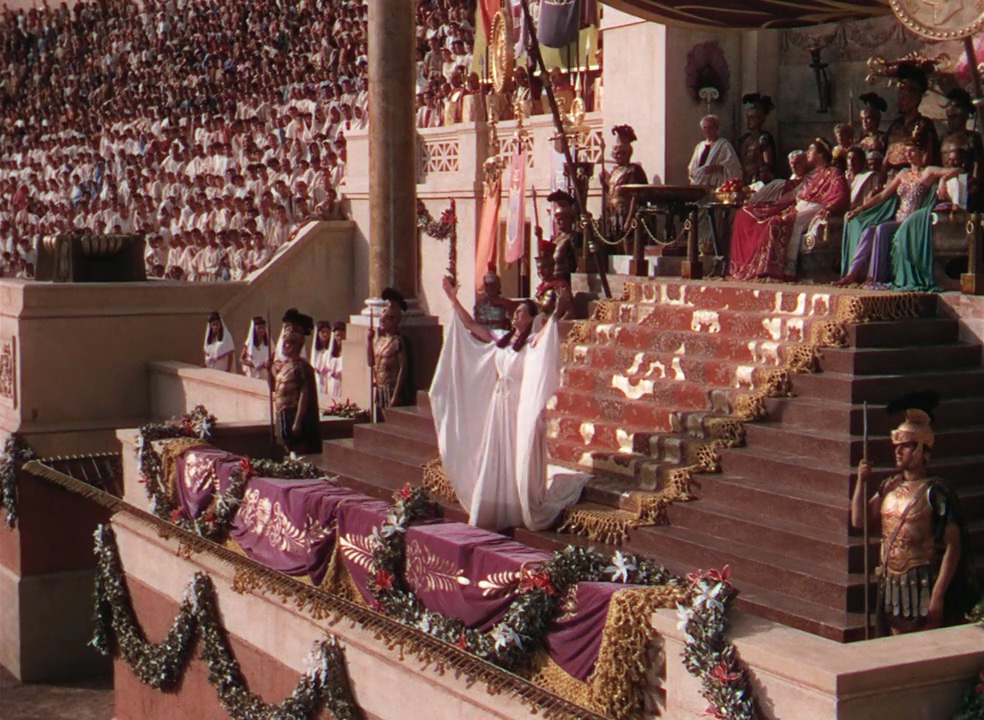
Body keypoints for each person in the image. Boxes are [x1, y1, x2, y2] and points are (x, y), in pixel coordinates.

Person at [430, 275, 588, 530]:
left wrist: (558, 309)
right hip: (499, 404)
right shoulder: (500, 338)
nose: (515, 316)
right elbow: (471, 325)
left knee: (516, 451)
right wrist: (452, 298)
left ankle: (516, 503)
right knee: (496, 451)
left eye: (521, 313)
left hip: (517, 405)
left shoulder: (531, 343)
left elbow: (548, 334)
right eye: (515, 313)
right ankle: (492, 502)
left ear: (531, 319)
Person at [851, 391, 977, 636]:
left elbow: (954, 546)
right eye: (897, 447)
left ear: (921, 449)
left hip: (921, 584)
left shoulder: (935, 492)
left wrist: (938, 594)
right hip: (891, 584)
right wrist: (860, 482)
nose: (898, 452)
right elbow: (859, 520)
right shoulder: (889, 486)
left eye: (906, 447)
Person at [836, 140, 958, 287]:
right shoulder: (903, 174)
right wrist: (859, 209)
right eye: (906, 151)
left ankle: (874, 278)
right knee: (869, 230)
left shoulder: (928, 172)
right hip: (897, 219)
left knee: (881, 229)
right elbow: (882, 196)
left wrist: (943, 179)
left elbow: (957, 170)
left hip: (911, 221)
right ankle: (852, 274)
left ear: (922, 153)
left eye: (912, 150)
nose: (908, 154)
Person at [729, 139, 848, 281]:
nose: (807, 153)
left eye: (811, 151)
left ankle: (785, 270)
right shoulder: (812, 175)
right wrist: (772, 205)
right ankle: (765, 269)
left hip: (816, 208)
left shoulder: (834, 173)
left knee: (777, 223)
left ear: (820, 154)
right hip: (800, 207)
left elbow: (840, 195)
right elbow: (795, 195)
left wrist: (829, 208)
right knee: (765, 218)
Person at [883, 63, 940, 180]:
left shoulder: (924, 125)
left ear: (916, 97)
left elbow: (928, 158)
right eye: (900, 94)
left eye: (905, 95)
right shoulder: (895, 125)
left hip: (911, 180)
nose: (900, 99)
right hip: (891, 180)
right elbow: (886, 156)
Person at [269, 330, 321, 456]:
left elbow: (305, 394)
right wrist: (268, 370)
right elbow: (274, 388)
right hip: (283, 413)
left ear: (294, 346)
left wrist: (298, 421)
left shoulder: (301, 367)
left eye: (286, 343)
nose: (283, 346)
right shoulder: (284, 367)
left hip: (293, 413)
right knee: (288, 450)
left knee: (298, 449)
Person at [599, 125, 648, 245]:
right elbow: (613, 193)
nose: (617, 157)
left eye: (620, 154)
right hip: (615, 216)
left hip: (627, 214)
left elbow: (635, 196)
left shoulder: (633, 170)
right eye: (616, 154)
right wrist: (604, 184)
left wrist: (630, 219)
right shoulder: (615, 171)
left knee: (628, 246)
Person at [367, 290, 409, 420]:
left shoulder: (397, 341)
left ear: (393, 321)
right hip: (380, 389)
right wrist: (369, 341)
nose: (382, 323)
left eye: (385, 321)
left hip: (391, 388)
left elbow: (403, 368)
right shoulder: (379, 341)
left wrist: (396, 395)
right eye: (381, 321)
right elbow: (371, 362)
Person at [687, 115, 741, 188]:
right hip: (699, 184)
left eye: (710, 128)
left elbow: (733, 167)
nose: (707, 131)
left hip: (715, 184)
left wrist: (716, 167)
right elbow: (693, 168)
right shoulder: (700, 146)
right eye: (705, 128)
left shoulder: (724, 145)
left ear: (716, 128)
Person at [737, 93, 777, 185]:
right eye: (748, 118)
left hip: (757, 179)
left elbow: (768, 163)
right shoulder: (744, 139)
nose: (749, 121)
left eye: (752, 118)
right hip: (743, 178)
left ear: (760, 119)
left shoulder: (764, 138)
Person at [544, 189, 579, 286]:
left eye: (561, 219)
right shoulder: (555, 239)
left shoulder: (574, 237)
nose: (558, 222)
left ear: (570, 219)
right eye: (557, 219)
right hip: (552, 279)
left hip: (564, 280)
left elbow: (577, 262)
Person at [534, 239, 573, 322]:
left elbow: (570, 311)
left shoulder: (560, 286)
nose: (540, 271)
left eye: (544, 267)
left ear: (552, 267)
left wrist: (556, 326)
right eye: (538, 268)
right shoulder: (540, 288)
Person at [474, 265, 516, 333]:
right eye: (487, 285)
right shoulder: (479, 304)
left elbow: (512, 323)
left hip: (500, 335)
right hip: (483, 336)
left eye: (493, 284)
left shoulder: (506, 303)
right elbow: (476, 323)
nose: (490, 288)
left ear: (498, 286)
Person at [858, 92, 888, 172]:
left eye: (868, 118)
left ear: (875, 120)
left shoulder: (883, 138)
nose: (864, 122)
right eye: (862, 119)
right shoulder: (861, 139)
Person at [240, 315, 272, 381]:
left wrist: (267, 363)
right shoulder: (249, 344)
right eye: (259, 328)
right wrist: (253, 364)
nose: (261, 330)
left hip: (264, 376)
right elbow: (241, 359)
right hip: (252, 375)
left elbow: (273, 356)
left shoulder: (269, 342)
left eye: (263, 328)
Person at [311, 320, 335, 395]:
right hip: (318, 378)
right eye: (323, 332)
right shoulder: (316, 350)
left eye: (327, 332)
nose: (325, 334)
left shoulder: (331, 350)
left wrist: (328, 367)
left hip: (328, 377)